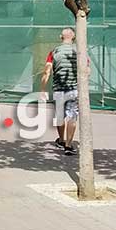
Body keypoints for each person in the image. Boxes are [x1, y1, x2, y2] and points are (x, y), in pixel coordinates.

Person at [40, 27, 81, 156]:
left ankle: (61, 140)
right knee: (72, 116)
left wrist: (42, 89)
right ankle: (68, 145)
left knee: (60, 116)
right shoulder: (79, 52)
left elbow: (47, 71)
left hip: (58, 89)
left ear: (60, 37)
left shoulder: (54, 52)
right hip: (73, 89)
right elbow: (87, 71)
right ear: (74, 37)